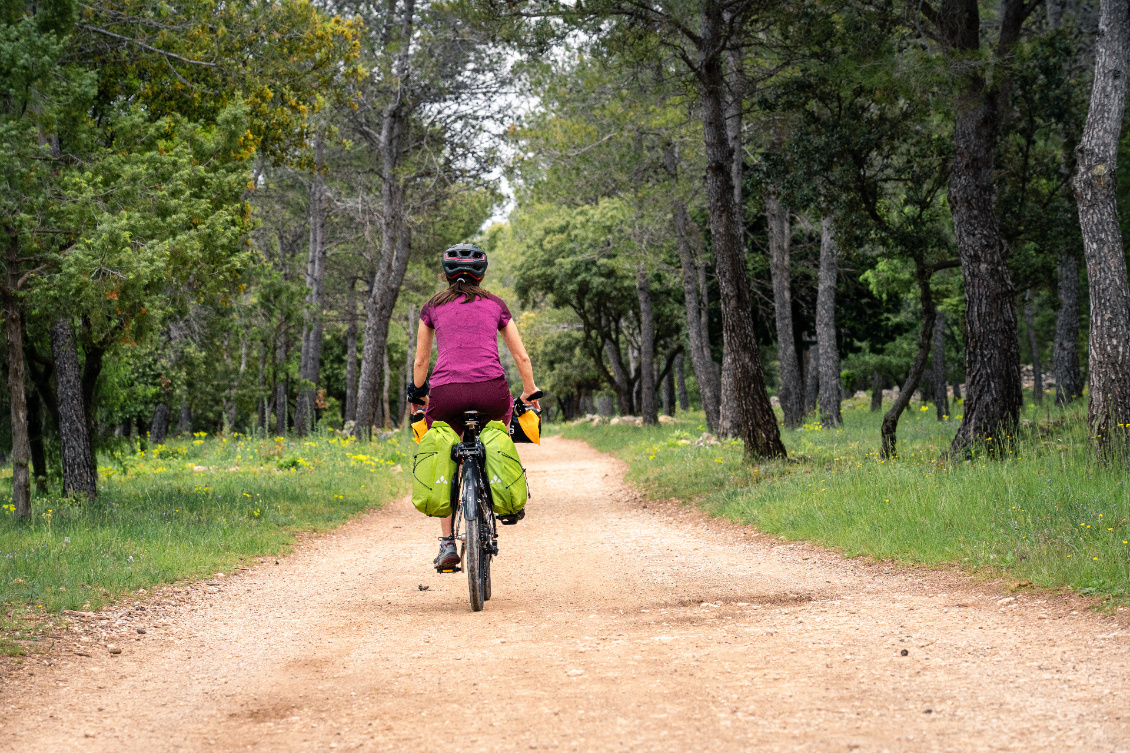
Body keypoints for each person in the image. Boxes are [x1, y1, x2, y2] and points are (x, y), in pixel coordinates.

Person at [408, 243, 540, 571]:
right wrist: (530, 392)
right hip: (491, 393)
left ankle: (447, 545)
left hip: (447, 393)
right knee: (496, 434)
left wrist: (418, 395)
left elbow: (421, 360)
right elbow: (521, 356)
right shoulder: (496, 305)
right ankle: (505, 500)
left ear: (446, 273)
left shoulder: (432, 307)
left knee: (445, 448)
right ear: (482, 273)